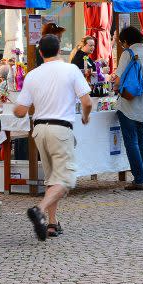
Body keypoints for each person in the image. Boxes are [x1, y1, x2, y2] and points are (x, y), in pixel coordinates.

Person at [15, 34, 92, 241]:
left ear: (40, 53)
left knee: (52, 178)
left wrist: (20, 107)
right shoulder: (71, 70)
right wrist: (85, 117)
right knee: (65, 179)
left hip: (39, 130)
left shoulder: (32, 75)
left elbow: (21, 111)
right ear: (60, 50)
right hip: (61, 129)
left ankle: (51, 223)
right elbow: (87, 102)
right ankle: (39, 210)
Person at [113, 26, 143, 191]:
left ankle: (139, 179)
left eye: (122, 43)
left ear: (126, 41)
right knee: (141, 140)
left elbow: (118, 81)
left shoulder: (129, 54)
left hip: (128, 105)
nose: (122, 46)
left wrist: (116, 88)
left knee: (131, 142)